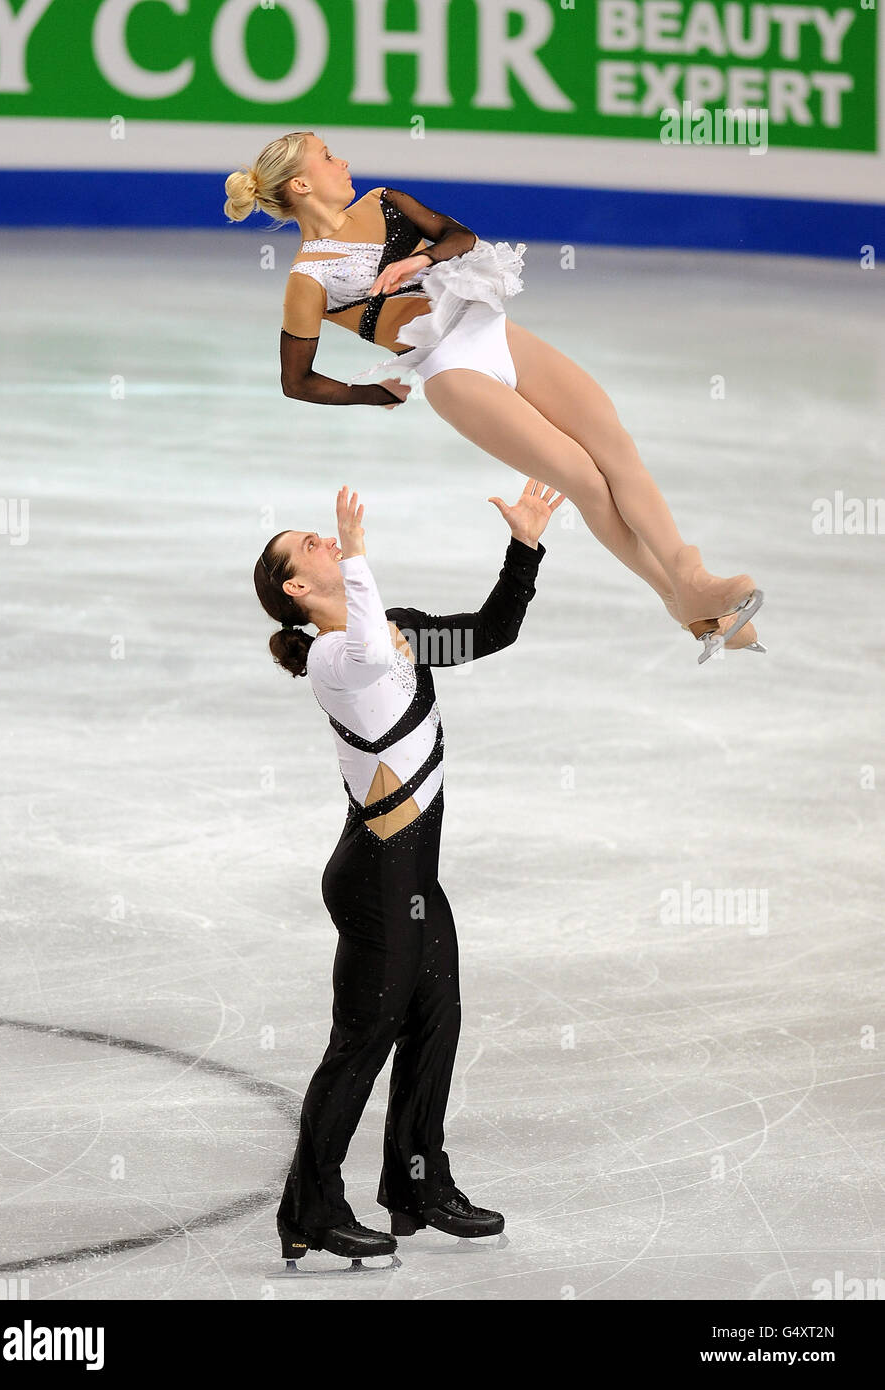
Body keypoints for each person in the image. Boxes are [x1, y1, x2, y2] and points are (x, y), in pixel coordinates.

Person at [225, 131, 765, 665]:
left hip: (494, 330)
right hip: (450, 369)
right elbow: (295, 380)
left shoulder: (384, 201)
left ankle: (692, 588)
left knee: (616, 446)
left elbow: (462, 238)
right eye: (327, 157)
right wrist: (372, 392)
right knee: (585, 479)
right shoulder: (307, 277)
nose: (342, 162)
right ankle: (683, 595)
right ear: (301, 183)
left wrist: (421, 260)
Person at [253, 479, 562, 1267]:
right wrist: (357, 557)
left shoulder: (395, 632)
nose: (326, 540)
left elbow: (489, 633)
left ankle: (417, 1186)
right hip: (374, 881)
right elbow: (362, 650)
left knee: (436, 1020)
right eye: (310, 544)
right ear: (297, 587)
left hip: (415, 879)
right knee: (362, 1043)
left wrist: (524, 545)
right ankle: (311, 1210)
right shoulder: (333, 657)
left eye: (327, 538)